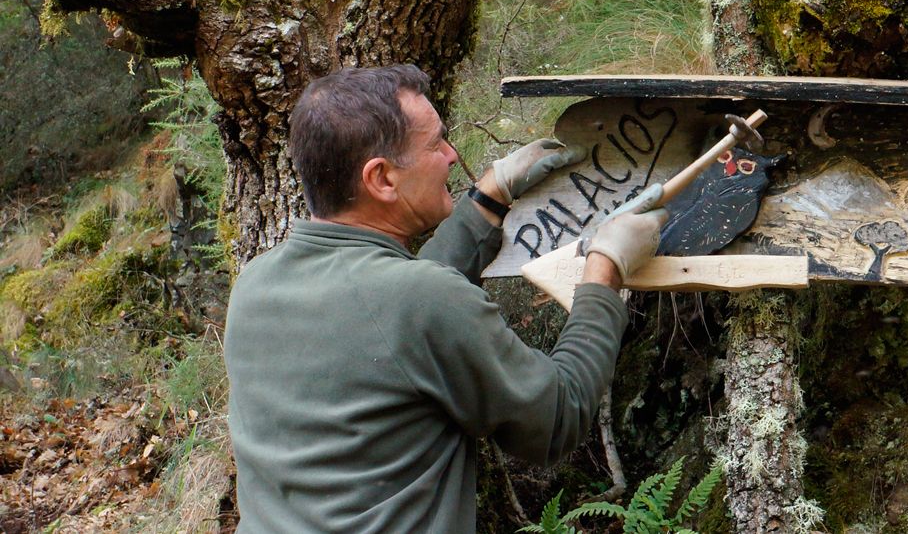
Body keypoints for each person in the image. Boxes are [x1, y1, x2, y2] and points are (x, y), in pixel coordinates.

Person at [223, 64, 667, 532]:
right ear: (382, 179)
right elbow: (559, 416)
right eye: (435, 143)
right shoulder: (420, 301)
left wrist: (488, 198)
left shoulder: (255, 285)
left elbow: (392, 313)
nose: (452, 155)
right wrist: (606, 271)